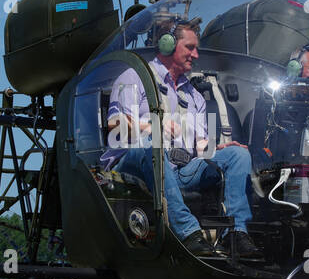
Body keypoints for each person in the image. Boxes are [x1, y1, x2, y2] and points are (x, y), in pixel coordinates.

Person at [101, 17, 260, 260]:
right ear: (167, 44)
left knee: (238, 155)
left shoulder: (194, 96)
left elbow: (200, 145)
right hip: (134, 166)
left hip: (178, 169)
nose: (196, 55)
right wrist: (155, 125)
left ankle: (236, 233)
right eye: (190, 47)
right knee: (151, 146)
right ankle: (188, 232)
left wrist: (218, 148)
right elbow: (114, 127)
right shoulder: (134, 78)